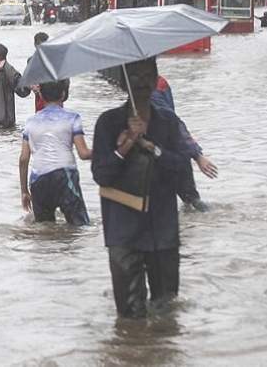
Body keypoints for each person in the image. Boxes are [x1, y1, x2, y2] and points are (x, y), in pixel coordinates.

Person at [91, 58, 191, 318]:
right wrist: (125, 146)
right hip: (124, 233)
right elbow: (101, 175)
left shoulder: (168, 121)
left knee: (166, 313)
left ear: (156, 77)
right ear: (124, 82)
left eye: (148, 75)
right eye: (135, 76)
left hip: (163, 230)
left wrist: (151, 147)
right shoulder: (108, 123)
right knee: (129, 319)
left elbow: (181, 168)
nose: (142, 82)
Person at [19, 80, 92, 225]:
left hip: (38, 180)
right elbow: (84, 154)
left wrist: (24, 191)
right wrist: (110, 150)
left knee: (45, 229)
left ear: (40, 94)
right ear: (63, 94)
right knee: (80, 226)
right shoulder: (73, 118)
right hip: (65, 176)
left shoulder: (30, 122)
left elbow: (23, 159)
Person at [152, 75, 218, 212]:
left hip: (168, 152)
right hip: (174, 150)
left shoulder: (151, 92)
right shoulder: (160, 82)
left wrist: (197, 155)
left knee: (191, 203)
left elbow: (174, 123)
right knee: (191, 203)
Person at [28, 32, 69, 113]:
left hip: (56, 98)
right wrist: (32, 86)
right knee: (41, 120)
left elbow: (66, 79)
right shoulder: (31, 61)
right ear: (35, 45)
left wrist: (64, 94)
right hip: (40, 98)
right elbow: (29, 80)